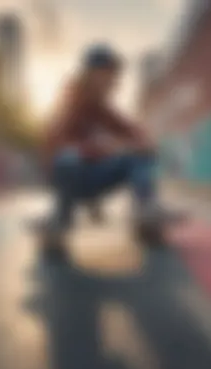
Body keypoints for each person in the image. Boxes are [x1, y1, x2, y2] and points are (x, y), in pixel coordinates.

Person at [40, 44, 163, 251]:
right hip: (70, 179)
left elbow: (130, 129)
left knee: (138, 156)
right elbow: (53, 144)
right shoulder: (68, 101)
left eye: (114, 76)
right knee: (67, 158)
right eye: (108, 75)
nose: (113, 82)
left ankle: (146, 212)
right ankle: (60, 220)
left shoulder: (103, 109)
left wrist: (143, 142)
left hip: (95, 178)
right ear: (91, 74)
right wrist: (96, 149)